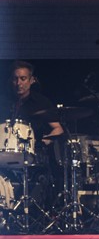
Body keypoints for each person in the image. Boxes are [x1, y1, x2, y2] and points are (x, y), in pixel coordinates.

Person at [1, 61, 63, 216]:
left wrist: (45, 141)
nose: (18, 83)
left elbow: (58, 128)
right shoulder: (3, 102)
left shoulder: (40, 102)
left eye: (23, 79)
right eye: (15, 79)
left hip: (34, 154)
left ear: (31, 80)